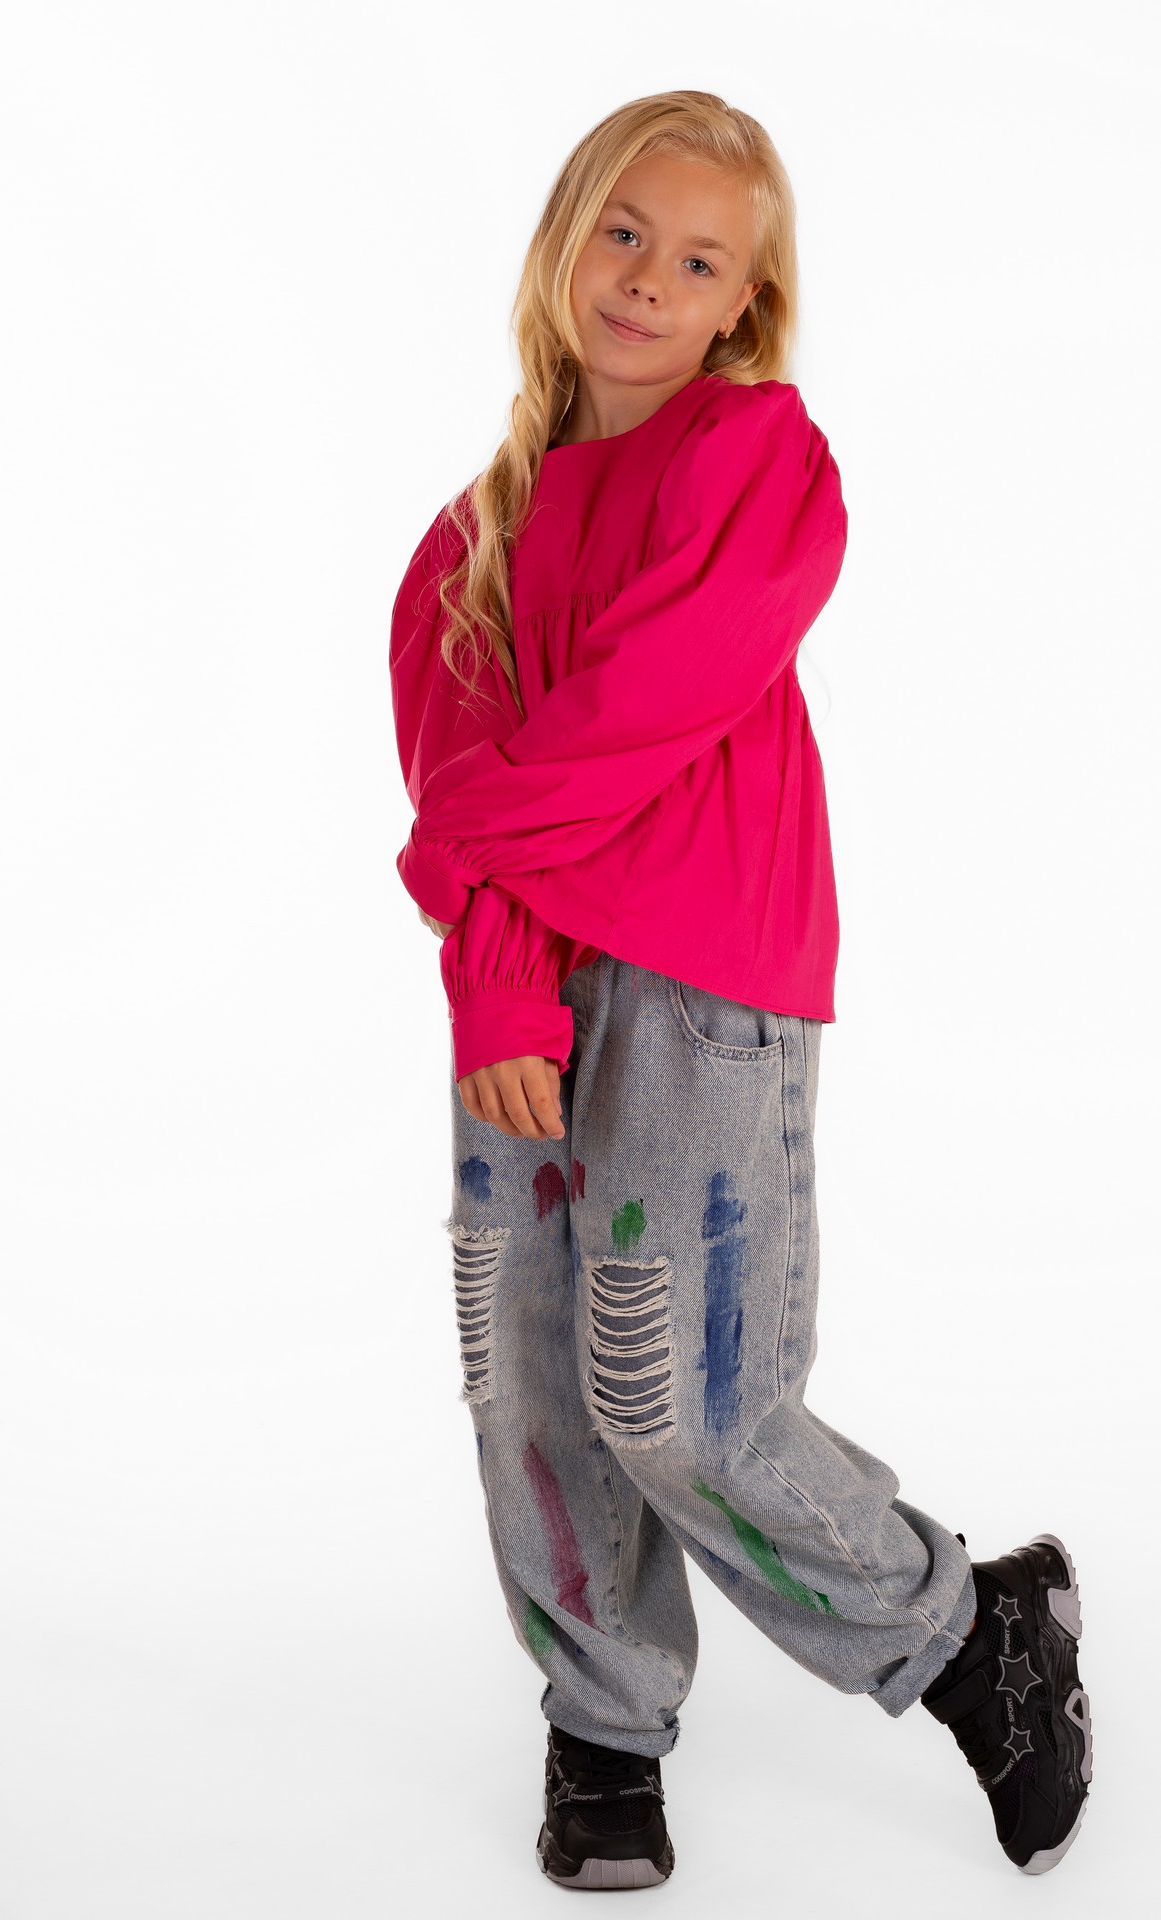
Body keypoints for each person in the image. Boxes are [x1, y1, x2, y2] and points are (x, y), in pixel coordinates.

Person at [388, 90, 1092, 1889]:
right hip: (523, 1002)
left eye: (699, 261)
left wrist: (462, 846)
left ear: (743, 306)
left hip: (705, 982)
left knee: (678, 1394)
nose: (649, 279)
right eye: (624, 234)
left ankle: (966, 1634)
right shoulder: (466, 544)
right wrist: (496, 987)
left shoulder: (757, 460)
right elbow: (457, 766)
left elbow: (636, 713)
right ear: (563, 243)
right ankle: (603, 1718)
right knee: (527, 1385)